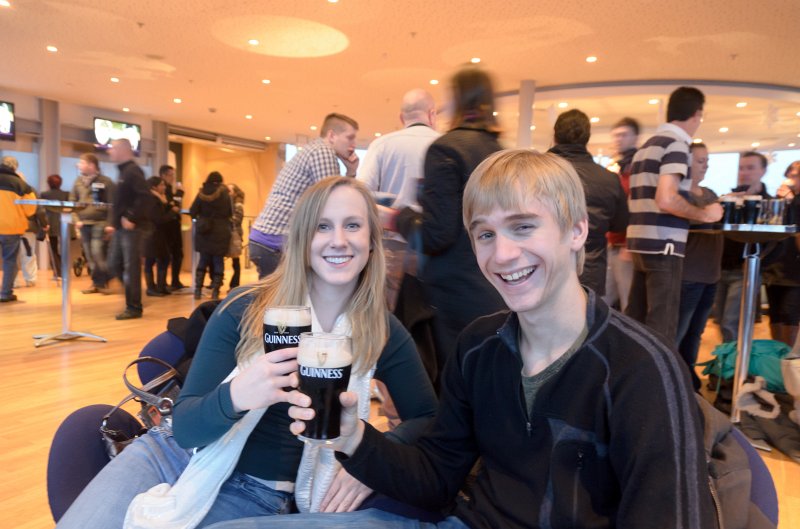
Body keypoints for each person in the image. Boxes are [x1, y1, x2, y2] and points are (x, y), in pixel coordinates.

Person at [211, 150, 717, 529]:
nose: (502, 255)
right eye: (485, 234)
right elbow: (435, 479)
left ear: (577, 230)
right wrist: (354, 437)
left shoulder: (643, 368)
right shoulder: (480, 347)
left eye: (523, 227)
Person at [55, 176, 437, 529]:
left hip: (258, 493)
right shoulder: (246, 307)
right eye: (322, 226)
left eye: (352, 225)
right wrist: (238, 394)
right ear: (302, 239)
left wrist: (369, 457)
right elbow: (186, 429)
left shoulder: (381, 330)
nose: (338, 239)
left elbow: (428, 416)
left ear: (372, 240)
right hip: (170, 454)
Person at [389, 66, 507, 380]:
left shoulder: (446, 149)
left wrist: (397, 216)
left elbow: (435, 234)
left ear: (459, 99)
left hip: (452, 296)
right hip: (494, 288)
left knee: (450, 385)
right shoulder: (499, 152)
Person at [626, 86, 722, 342]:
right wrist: (705, 214)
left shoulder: (647, 146)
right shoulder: (676, 145)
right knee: (663, 327)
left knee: (635, 322)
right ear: (697, 114)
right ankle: (659, 382)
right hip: (664, 245)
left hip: (639, 243)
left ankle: (629, 380)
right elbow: (667, 198)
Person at [249, 113, 360, 278]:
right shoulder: (323, 152)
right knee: (287, 302)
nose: (353, 145)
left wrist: (350, 172)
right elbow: (335, 203)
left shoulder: (313, 149)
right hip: (277, 242)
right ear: (331, 135)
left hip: (267, 239)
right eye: (350, 138)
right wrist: (351, 173)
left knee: (279, 300)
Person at [358, 88, 440, 309]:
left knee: (389, 315)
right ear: (432, 114)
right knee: (426, 313)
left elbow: (360, 195)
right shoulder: (444, 145)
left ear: (402, 118)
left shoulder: (382, 145)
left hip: (391, 246)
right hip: (432, 248)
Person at [548, 108, 628, 295]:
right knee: (586, 320)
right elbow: (620, 224)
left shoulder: (538, 173)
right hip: (591, 270)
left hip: (547, 265)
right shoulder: (608, 179)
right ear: (587, 138)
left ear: (555, 135)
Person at [675, 143, 723, 389]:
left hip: (710, 276)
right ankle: (676, 381)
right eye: (700, 160)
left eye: (707, 161)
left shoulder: (710, 194)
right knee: (678, 334)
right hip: (688, 275)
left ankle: (689, 380)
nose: (705, 166)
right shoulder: (681, 197)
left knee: (696, 334)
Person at [713, 151, 773, 343]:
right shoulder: (729, 200)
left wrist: (759, 262)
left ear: (763, 171)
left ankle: (734, 369)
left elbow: (777, 242)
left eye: (750, 167)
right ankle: (727, 365)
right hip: (721, 269)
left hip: (746, 271)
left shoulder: (769, 204)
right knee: (721, 320)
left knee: (731, 322)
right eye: (741, 167)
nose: (744, 172)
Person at [107, 138, 150, 320]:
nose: (110, 152)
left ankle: (134, 307)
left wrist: (131, 217)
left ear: (124, 149)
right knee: (114, 264)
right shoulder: (123, 172)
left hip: (131, 229)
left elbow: (144, 197)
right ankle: (132, 296)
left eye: (113, 148)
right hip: (121, 229)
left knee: (130, 267)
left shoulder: (133, 171)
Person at [603, 116, 639, 311]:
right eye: (616, 135)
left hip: (626, 246)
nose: (619, 139)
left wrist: (629, 244)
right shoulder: (620, 169)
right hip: (612, 243)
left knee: (627, 302)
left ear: (635, 138)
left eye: (624, 135)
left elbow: (638, 207)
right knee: (604, 298)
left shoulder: (637, 168)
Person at [70, 153, 116, 294]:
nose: (78, 165)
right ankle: (97, 283)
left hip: (100, 222)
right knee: (89, 256)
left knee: (97, 252)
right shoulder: (78, 182)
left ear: (92, 165)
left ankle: (108, 276)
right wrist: (76, 220)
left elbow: (113, 205)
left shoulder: (106, 181)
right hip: (84, 224)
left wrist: (110, 224)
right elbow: (72, 203)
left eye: (81, 162)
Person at [190, 171, 233, 300]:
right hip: (221, 232)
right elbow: (230, 213)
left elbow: (193, 211)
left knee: (203, 260)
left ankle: (198, 290)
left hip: (204, 232)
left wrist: (202, 218)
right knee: (218, 261)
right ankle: (215, 291)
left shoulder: (201, 193)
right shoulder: (225, 194)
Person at [0, 158, 37, 302]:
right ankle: (5, 293)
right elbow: (30, 209)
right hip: (11, 229)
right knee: (9, 261)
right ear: (15, 168)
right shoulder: (21, 184)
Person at [143, 176, 177, 297]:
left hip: (157, 235)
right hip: (152, 235)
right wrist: (172, 212)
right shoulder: (152, 199)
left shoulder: (159, 199)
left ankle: (160, 287)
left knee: (161, 259)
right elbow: (158, 219)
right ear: (154, 187)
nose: (164, 187)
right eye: (161, 185)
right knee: (152, 260)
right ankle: (152, 288)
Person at [160, 164, 186, 290]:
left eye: (173, 175)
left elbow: (176, 205)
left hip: (175, 225)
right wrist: (180, 193)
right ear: (163, 175)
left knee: (178, 254)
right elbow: (173, 206)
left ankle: (175, 281)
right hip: (167, 227)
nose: (172, 178)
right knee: (166, 255)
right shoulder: (163, 190)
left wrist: (178, 195)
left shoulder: (171, 189)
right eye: (170, 175)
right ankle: (163, 283)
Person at [40, 174, 70, 278]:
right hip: (64, 224)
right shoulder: (66, 194)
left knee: (53, 249)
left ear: (49, 183)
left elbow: (41, 210)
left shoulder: (44, 194)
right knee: (65, 249)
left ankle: (57, 272)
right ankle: (64, 271)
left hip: (50, 224)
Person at [227, 183, 245, 291]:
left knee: (235, 260)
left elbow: (237, 220)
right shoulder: (231, 204)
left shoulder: (238, 205)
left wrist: (226, 219)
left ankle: (235, 284)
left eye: (230, 191)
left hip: (235, 235)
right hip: (231, 234)